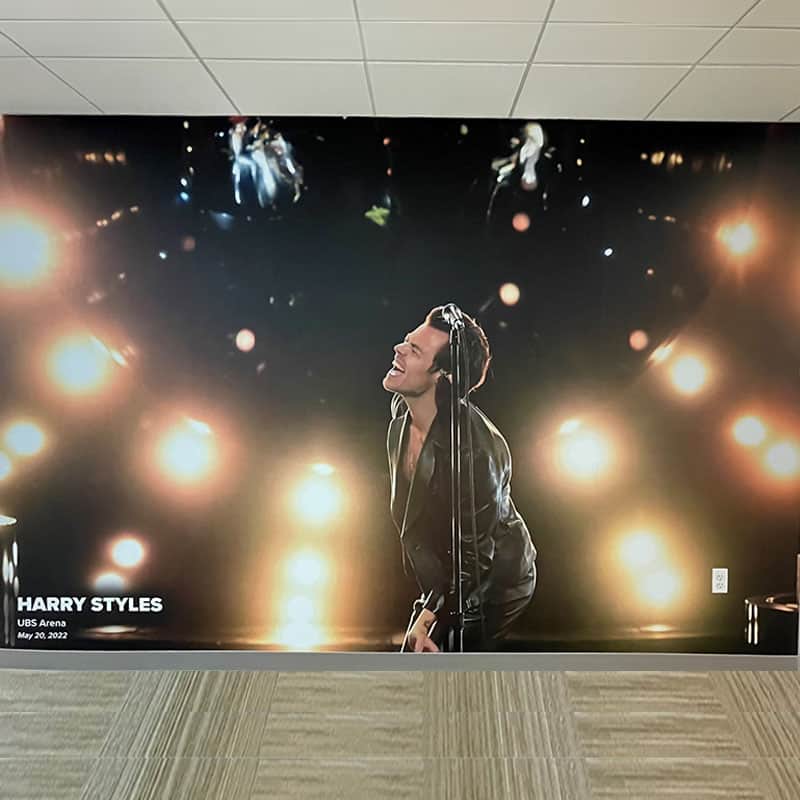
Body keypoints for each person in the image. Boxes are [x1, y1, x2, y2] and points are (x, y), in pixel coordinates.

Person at [383, 306, 537, 652]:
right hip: (450, 571)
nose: (399, 349)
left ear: (444, 377)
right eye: (407, 342)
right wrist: (430, 604)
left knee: (448, 666)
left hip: (491, 582)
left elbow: (476, 561)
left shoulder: (476, 453)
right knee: (414, 654)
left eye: (415, 350)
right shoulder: (401, 411)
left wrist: (434, 613)